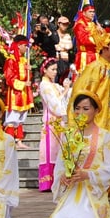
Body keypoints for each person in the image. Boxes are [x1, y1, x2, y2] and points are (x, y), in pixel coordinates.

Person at [41, 89, 110, 218]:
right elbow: (60, 164)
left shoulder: (105, 136)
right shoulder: (68, 136)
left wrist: (88, 174)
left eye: (86, 109)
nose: (81, 113)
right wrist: (62, 177)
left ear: (96, 110)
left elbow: (109, 169)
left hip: (92, 195)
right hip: (72, 192)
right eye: (77, 109)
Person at [72, 33, 110, 200]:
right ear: (104, 48)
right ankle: (98, 184)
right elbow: (83, 92)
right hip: (98, 118)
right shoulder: (95, 68)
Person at [38, 57, 69, 193]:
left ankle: (57, 179)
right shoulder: (45, 85)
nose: (55, 72)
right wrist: (66, 91)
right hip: (51, 119)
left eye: (56, 69)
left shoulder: (53, 85)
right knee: (50, 149)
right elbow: (55, 105)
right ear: (44, 70)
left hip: (57, 120)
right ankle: (48, 180)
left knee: (57, 148)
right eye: (52, 69)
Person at [3, 35, 34, 150]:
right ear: (19, 45)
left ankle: (19, 141)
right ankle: (10, 141)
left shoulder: (24, 60)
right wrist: (22, 84)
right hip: (15, 93)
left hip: (24, 93)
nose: (26, 48)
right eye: (25, 46)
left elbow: (26, 77)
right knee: (12, 117)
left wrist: (29, 72)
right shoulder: (11, 60)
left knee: (21, 117)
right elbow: (9, 78)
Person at [73, 5, 103, 71]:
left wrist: (101, 32)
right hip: (85, 56)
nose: (92, 13)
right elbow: (84, 40)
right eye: (90, 12)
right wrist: (100, 38)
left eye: (93, 12)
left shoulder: (93, 24)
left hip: (96, 55)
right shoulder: (80, 25)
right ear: (84, 13)